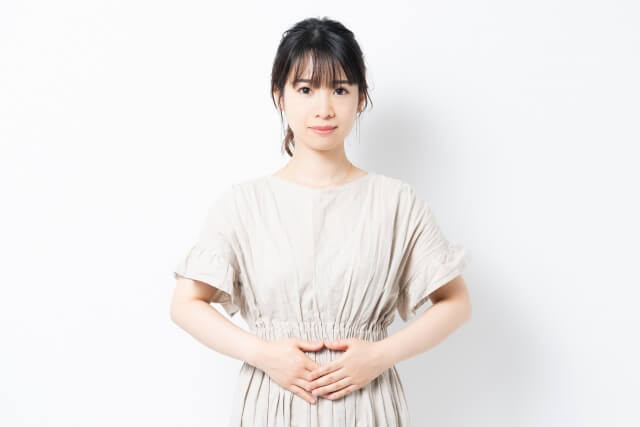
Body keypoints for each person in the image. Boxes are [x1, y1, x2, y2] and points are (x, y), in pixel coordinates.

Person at [170, 16, 472, 427]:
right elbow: (186, 304)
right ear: (279, 95)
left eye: (340, 89)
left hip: (368, 403)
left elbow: (455, 301)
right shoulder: (244, 204)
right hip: (274, 404)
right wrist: (264, 354)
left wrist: (380, 355)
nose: (324, 108)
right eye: (306, 89)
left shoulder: (396, 203)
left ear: (361, 98)